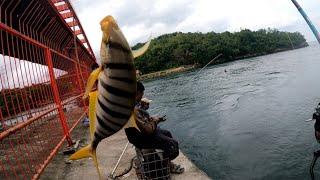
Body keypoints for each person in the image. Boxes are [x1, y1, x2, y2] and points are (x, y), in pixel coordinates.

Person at [125, 81, 184, 174]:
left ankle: (167, 162)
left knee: (167, 133)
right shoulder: (133, 109)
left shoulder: (132, 104)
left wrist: (155, 119)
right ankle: (166, 166)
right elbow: (148, 130)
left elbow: (142, 121)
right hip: (140, 138)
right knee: (172, 144)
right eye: (142, 94)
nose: (142, 97)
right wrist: (156, 121)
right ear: (138, 93)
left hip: (139, 134)